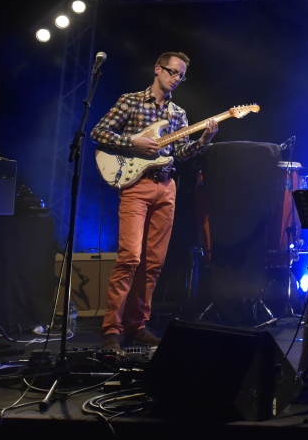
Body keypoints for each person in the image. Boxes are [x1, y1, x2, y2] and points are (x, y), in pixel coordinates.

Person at [91, 52, 218, 351]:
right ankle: (112, 329)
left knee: (153, 265)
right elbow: (98, 132)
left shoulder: (178, 114)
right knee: (129, 258)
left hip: (166, 187)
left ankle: (137, 327)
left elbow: (180, 154)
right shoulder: (130, 101)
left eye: (181, 76)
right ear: (158, 69)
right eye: (173, 72)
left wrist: (203, 141)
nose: (176, 79)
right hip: (136, 185)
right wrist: (132, 141)